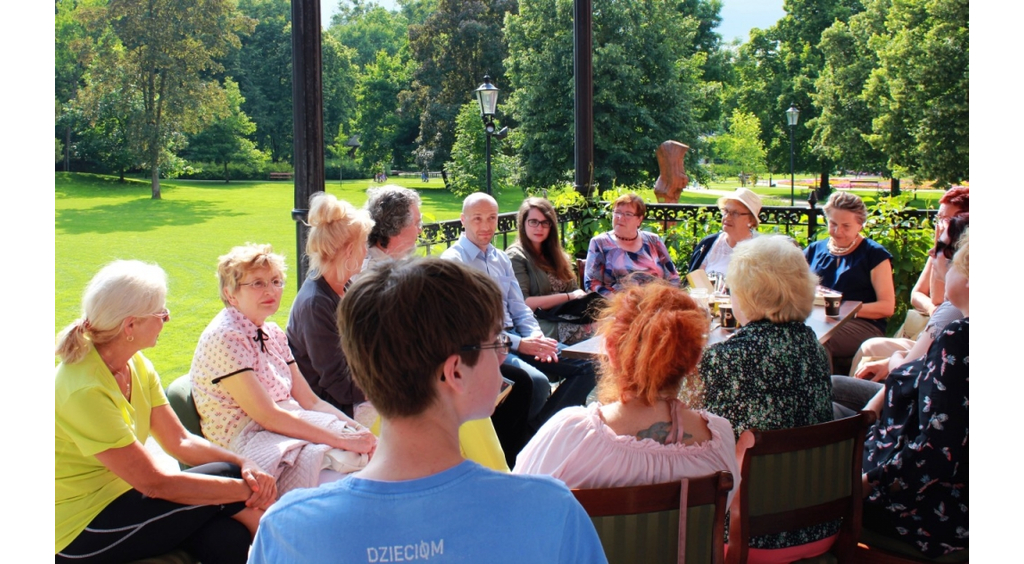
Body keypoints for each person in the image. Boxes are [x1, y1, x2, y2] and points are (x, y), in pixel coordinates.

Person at [249, 258, 608, 564]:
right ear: (454, 372)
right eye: (496, 342)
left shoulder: (288, 530)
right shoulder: (547, 512)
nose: (503, 356)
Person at [56, 260, 276, 564]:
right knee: (228, 485)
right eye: (161, 313)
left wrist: (245, 463)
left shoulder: (136, 364)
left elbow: (181, 442)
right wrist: (245, 490)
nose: (167, 318)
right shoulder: (84, 389)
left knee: (227, 535)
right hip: (79, 530)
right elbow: (155, 483)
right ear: (130, 325)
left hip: (125, 499)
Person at [514, 281, 738, 500]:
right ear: (694, 360)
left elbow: (519, 508)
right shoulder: (719, 438)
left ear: (610, 349)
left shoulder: (571, 436)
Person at [191, 243, 377, 495]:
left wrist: (358, 432)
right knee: (346, 479)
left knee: (369, 456)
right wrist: (342, 440)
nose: (271, 290)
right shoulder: (226, 336)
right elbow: (267, 415)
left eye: (276, 281)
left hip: (287, 423)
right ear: (230, 293)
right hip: (249, 439)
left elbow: (311, 401)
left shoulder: (272, 333)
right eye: (257, 283)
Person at [698, 236, 838, 562]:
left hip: (747, 533)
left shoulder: (723, 360)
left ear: (746, 294)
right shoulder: (814, 350)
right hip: (820, 524)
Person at [833, 230, 968, 559]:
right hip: (945, 500)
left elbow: (937, 453)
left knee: (800, 488)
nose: (945, 266)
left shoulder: (960, 337)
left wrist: (862, 484)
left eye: (956, 262)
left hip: (934, 514)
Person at [441, 193, 597, 434]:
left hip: (520, 337)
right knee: (537, 382)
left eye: (492, 218)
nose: (486, 226)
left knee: (590, 365)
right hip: (487, 345)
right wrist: (521, 343)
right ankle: (528, 441)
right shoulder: (454, 262)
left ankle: (540, 433)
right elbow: (468, 326)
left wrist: (537, 338)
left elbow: (519, 307)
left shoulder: (500, 258)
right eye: (477, 219)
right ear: (463, 220)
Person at [851, 213, 968, 380]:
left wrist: (894, 360)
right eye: (938, 218)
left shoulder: (953, 311)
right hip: (915, 364)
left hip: (910, 390)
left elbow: (906, 372)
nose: (931, 251)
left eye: (946, 217)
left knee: (842, 382)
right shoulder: (952, 307)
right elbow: (919, 295)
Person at [287, 193, 374, 416]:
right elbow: (340, 386)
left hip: (351, 397)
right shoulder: (316, 304)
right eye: (363, 244)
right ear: (348, 251)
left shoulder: (340, 287)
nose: (366, 251)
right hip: (329, 409)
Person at [804, 191, 895, 373]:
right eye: (833, 224)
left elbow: (887, 307)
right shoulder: (814, 250)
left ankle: (823, 397)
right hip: (817, 321)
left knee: (819, 339)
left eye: (846, 226)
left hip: (864, 325)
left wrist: (840, 308)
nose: (838, 232)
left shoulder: (874, 255)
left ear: (860, 225)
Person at [506, 197, 594, 344]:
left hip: (565, 315)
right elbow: (525, 302)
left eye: (545, 223)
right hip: (539, 324)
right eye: (533, 222)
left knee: (612, 323)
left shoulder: (555, 254)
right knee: (596, 330)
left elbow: (574, 290)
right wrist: (569, 296)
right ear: (523, 223)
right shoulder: (516, 257)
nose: (539, 228)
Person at [585, 192, 680, 295]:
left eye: (628, 214)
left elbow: (673, 277)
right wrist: (615, 301)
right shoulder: (600, 243)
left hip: (655, 302)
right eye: (617, 212)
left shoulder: (653, 240)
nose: (620, 217)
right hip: (618, 304)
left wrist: (665, 297)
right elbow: (592, 284)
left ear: (639, 219)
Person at [907, 186, 968, 322]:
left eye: (946, 219)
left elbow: (938, 297)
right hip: (937, 319)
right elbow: (916, 294)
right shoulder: (938, 254)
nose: (940, 226)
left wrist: (938, 247)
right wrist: (931, 309)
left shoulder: (963, 258)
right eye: (939, 219)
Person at [687, 187, 763, 275]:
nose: (727, 217)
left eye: (735, 213)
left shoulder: (761, 251)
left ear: (751, 220)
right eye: (726, 211)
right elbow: (693, 281)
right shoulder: (709, 243)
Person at [361, 184, 423, 270]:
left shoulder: (396, 261)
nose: (420, 230)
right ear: (397, 226)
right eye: (416, 224)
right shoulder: (372, 273)